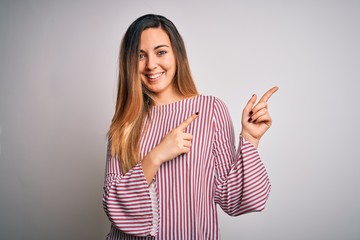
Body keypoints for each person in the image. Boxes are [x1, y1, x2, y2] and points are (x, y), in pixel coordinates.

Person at [103, 14, 278, 240]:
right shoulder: (124, 124)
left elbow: (232, 199)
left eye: (161, 52)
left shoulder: (210, 110)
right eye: (140, 55)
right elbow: (113, 203)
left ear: (177, 55)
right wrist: (155, 156)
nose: (151, 64)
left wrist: (250, 139)